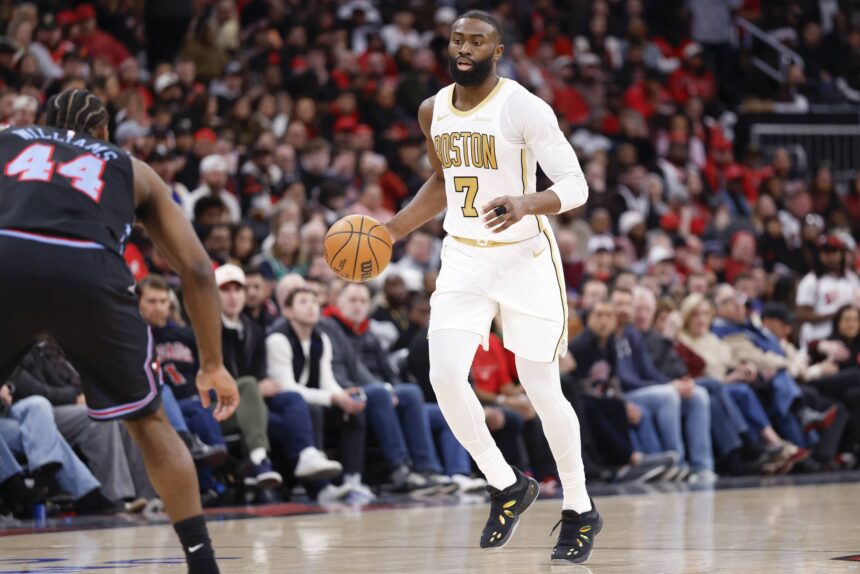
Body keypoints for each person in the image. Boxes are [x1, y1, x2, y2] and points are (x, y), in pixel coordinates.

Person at [381, 11, 600, 563]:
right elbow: (442, 181)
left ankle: (579, 507)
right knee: (445, 375)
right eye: (458, 38)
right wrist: (392, 229)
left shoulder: (523, 106)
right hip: (463, 257)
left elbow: (576, 185)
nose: (464, 47)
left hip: (525, 257)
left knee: (541, 388)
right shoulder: (433, 109)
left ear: (496, 50)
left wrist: (528, 202)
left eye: (477, 40)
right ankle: (507, 484)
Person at [0, 89, 238, 574]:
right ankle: (202, 561)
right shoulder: (130, 166)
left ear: (45, 123)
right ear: (105, 134)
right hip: (89, 270)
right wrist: (212, 364)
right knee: (150, 422)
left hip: (8, 253)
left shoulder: (9, 139)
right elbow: (195, 268)